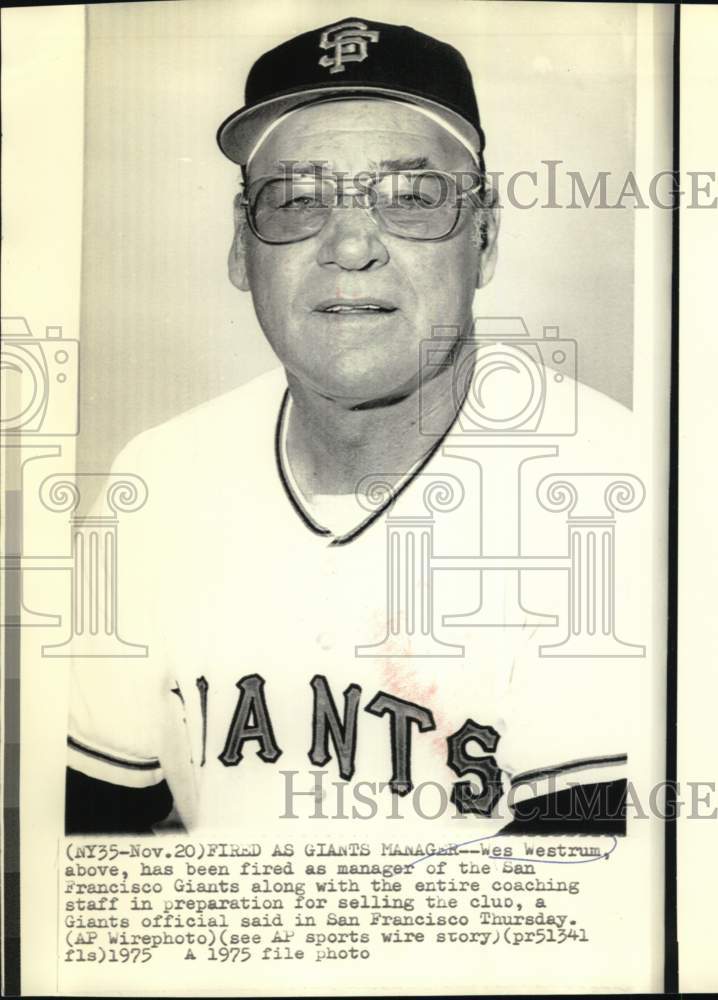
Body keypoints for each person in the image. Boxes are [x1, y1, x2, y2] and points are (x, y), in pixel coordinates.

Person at [66, 16, 646, 836]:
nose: (348, 246)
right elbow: (89, 842)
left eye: (410, 199)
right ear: (242, 246)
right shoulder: (157, 480)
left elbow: (575, 913)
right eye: (298, 200)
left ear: (483, 239)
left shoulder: (609, 487)